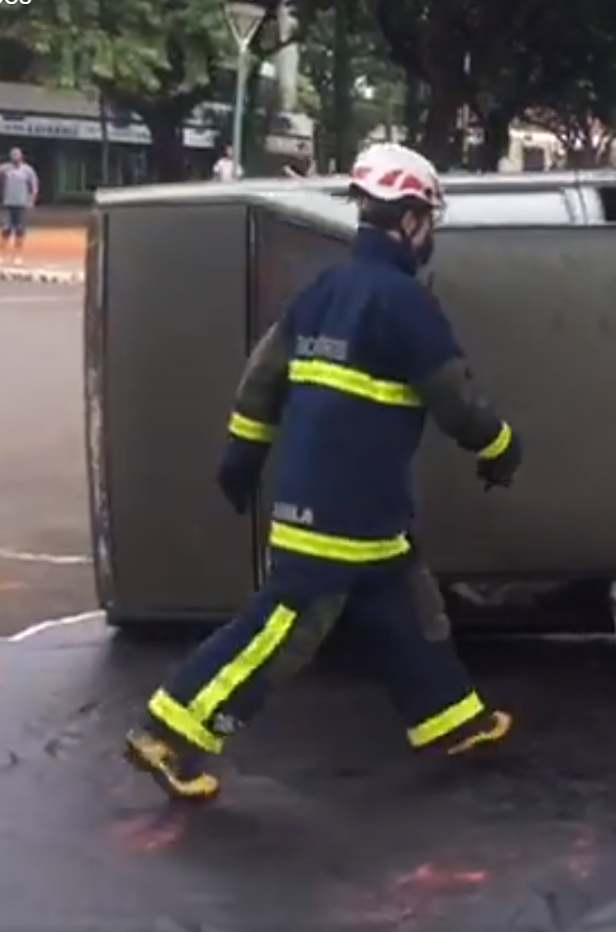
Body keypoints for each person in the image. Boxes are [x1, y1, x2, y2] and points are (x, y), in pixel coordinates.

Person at [123, 142, 525, 803]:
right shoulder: (406, 304)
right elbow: (457, 399)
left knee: (406, 606)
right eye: (428, 221)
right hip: (339, 514)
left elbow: (262, 378)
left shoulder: (320, 292)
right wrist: (500, 447)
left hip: (363, 513)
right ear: (411, 221)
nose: (429, 235)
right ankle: (168, 731)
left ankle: (453, 719)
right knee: (282, 629)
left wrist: (243, 453)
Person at [0, 148, 38, 266]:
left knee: (20, 230)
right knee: (6, 229)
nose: (15, 157)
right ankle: (1, 255)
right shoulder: (5, 168)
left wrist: (31, 200)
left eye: (17, 155)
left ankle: (17, 256)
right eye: (13, 155)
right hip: (8, 203)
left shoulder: (28, 170)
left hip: (22, 204)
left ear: (21, 156)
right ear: (10, 157)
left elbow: (34, 186)